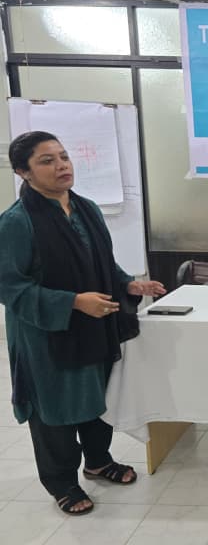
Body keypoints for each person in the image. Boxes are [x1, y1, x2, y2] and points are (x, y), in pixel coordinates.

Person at [0, 131, 166, 516]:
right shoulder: (17, 222)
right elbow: (11, 287)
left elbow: (101, 263)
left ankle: (98, 461)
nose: (61, 166)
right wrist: (73, 302)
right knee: (55, 410)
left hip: (95, 325)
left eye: (64, 156)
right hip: (46, 337)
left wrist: (128, 284)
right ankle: (62, 482)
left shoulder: (86, 208)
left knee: (98, 396)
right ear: (24, 172)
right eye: (47, 161)